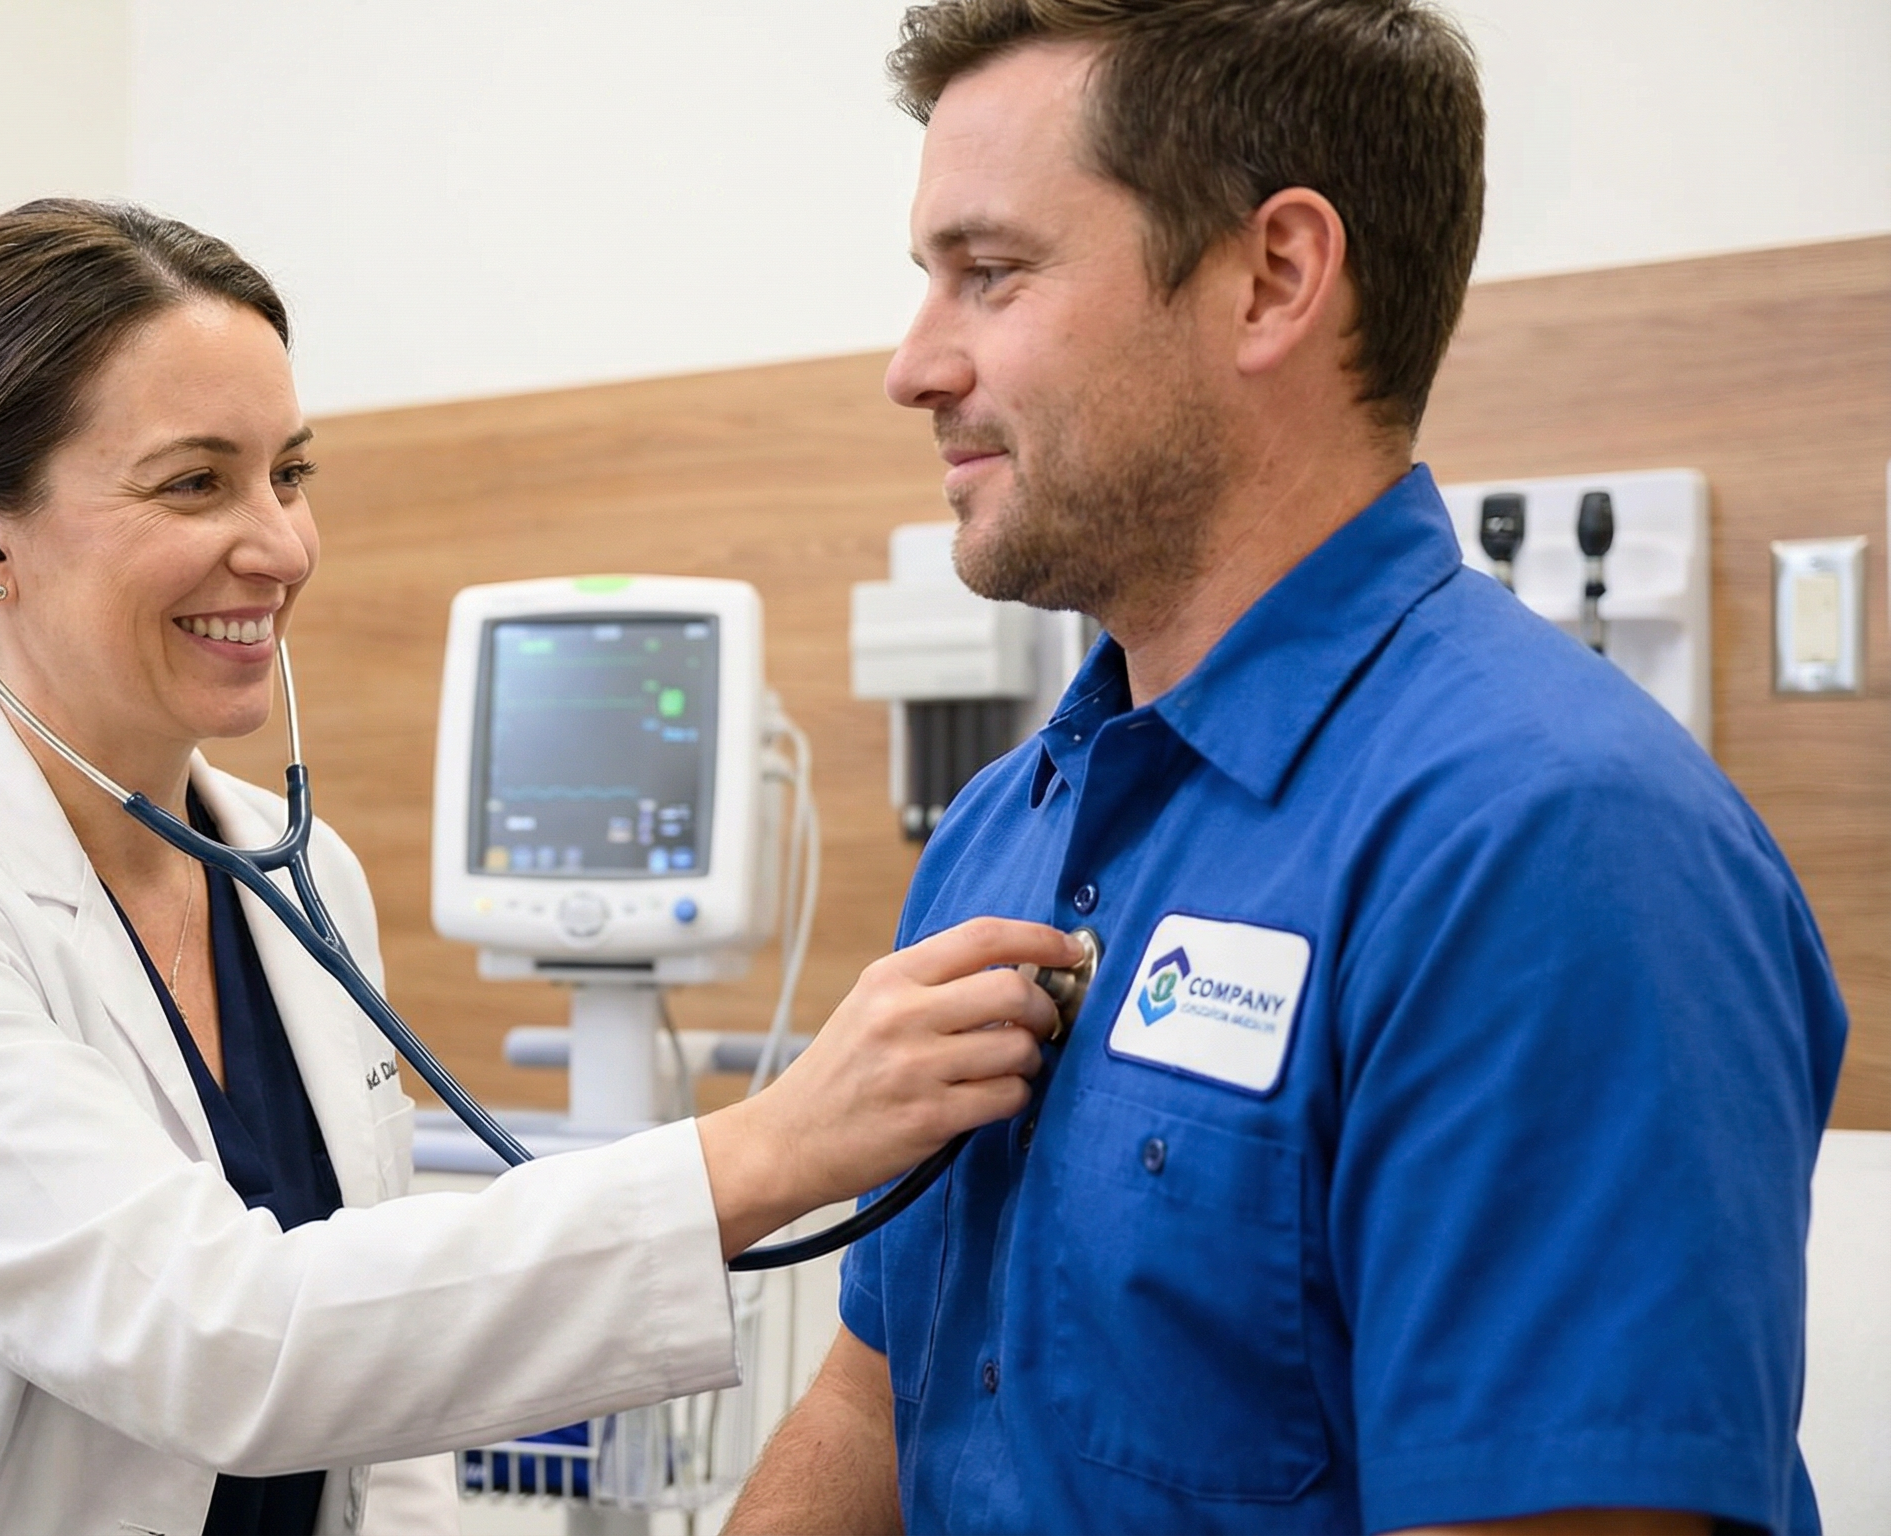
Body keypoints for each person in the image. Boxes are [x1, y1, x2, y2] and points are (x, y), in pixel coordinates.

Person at [0, 199, 1082, 1536]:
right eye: (195, 483)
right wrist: (773, 1148)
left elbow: (377, 1428)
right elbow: (223, 1343)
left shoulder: (300, 877)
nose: (278, 544)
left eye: (290, 472)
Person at [726, 3, 1846, 1534]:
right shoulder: (1006, 830)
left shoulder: (1548, 849)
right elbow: (874, 1398)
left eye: (989, 274)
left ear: (1273, 279)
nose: (914, 365)